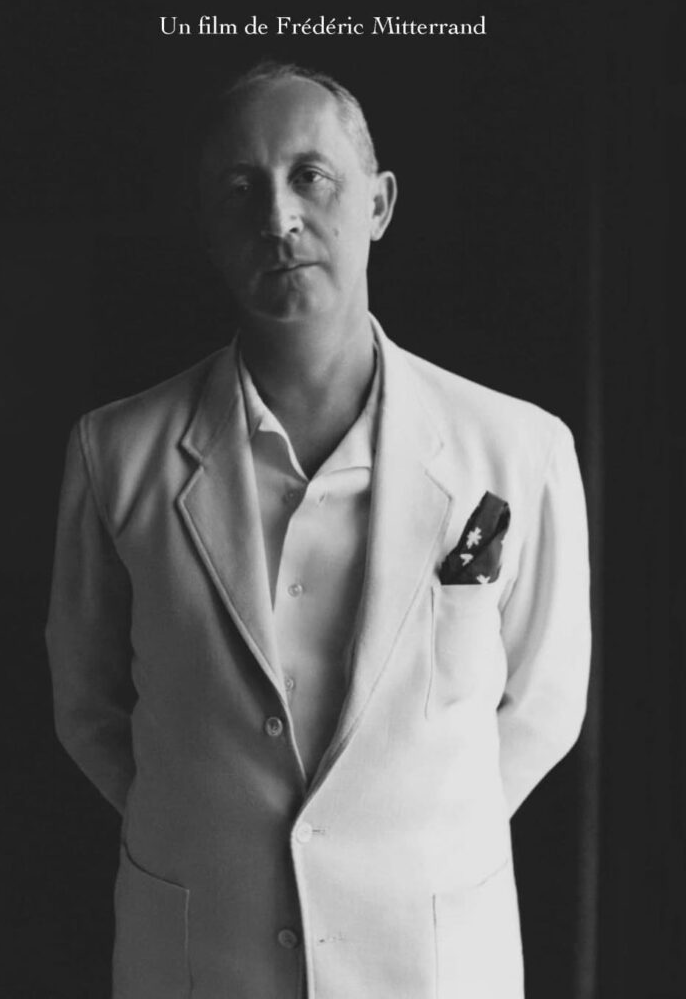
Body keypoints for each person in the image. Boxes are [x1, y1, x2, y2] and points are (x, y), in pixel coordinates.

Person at [46, 61, 591, 999]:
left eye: (311, 176)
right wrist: (208, 827)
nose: (278, 217)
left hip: (429, 958)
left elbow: (543, 706)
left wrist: (408, 843)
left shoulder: (519, 448)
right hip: (200, 952)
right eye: (240, 189)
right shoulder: (116, 452)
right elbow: (88, 706)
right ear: (208, 225)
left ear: (379, 203)